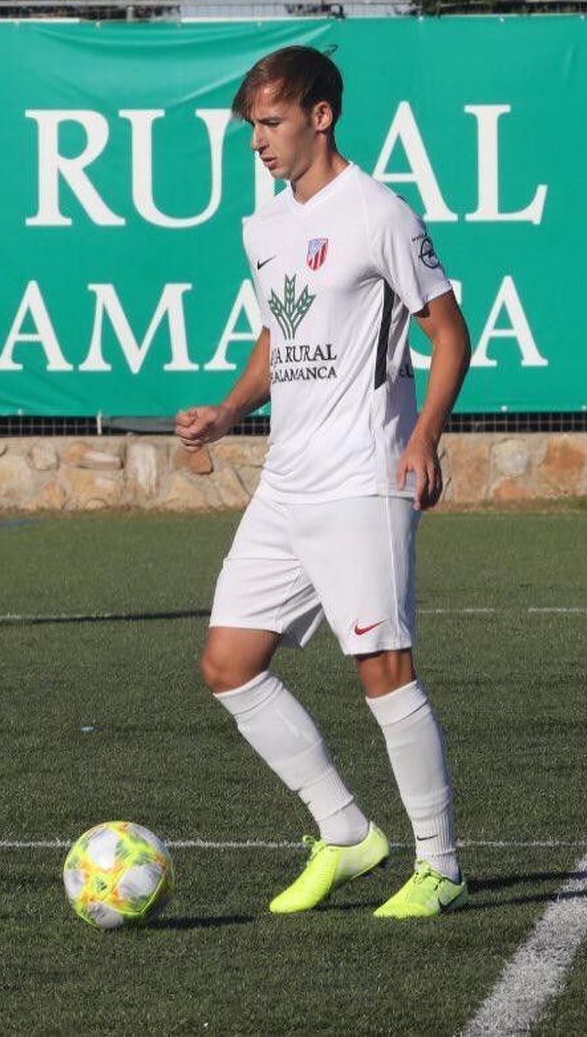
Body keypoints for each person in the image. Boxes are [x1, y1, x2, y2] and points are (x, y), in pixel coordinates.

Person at [175, 45, 473, 918]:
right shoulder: (263, 227)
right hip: (287, 483)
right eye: (251, 128)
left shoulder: (380, 212)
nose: (258, 141)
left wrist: (425, 436)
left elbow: (448, 334)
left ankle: (442, 865)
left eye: (269, 123)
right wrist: (228, 413)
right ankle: (346, 833)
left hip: (362, 480)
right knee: (229, 664)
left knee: (383, 665)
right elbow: (280, 337)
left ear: (320, 115)